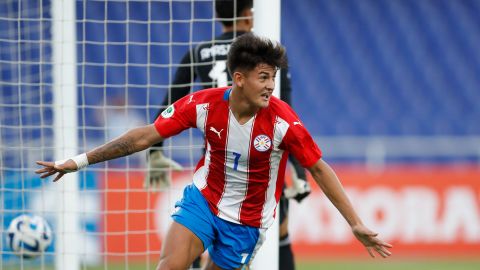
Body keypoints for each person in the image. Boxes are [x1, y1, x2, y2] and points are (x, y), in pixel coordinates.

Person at [36, 33, 392, 270]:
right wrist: (78, 162)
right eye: (264, 77)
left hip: (247, 224)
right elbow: (145, 136)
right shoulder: (203, 105)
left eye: (273, 78)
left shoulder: (283, 122)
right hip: (204, 201)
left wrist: (355, 223)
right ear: (239, 78)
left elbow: (319, 168)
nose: (271, 86)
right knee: (170, 266)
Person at [146, 1, 310, 268]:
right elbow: (287, 116)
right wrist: (299, 172)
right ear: (248, 14)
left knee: (194, 240)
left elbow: (170, 106)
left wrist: (155, 153)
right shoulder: (265, 58)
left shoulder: (198, 52)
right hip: (262, 166)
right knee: (278, 236)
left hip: (216, 161)